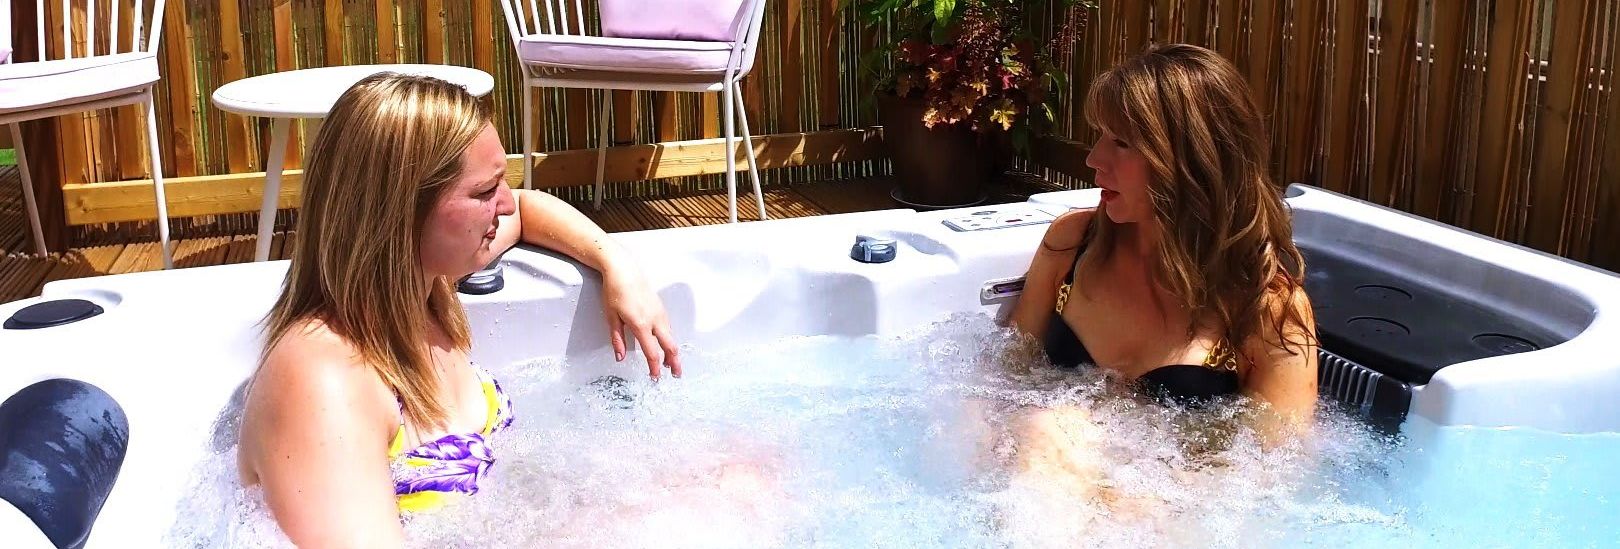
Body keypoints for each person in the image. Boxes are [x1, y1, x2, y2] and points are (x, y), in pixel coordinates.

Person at [235, 73, 681, 547]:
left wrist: (617, 265)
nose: (503, 203)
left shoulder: (425, 287)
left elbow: (524, 209)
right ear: (401, 212)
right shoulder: (322, 381)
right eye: (485, 191)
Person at [1008, 43, 1320, 444]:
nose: (1093, 159)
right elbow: (1007, 376)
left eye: (1122, 143)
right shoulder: (1071, 245)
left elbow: (1274, 465)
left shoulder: (1268, 310)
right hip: (1043, 464)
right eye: (1101, 136)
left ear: (1193, 162)